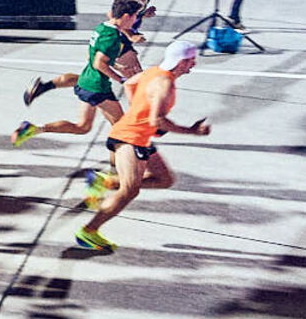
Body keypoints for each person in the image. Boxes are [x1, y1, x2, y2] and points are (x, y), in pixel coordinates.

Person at [76, 41, 211, 251]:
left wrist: (138, 109)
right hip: (129, 138)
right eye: (192, 60)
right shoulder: (165, 83)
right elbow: (157, 121)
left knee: (165, 179)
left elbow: (130, 83)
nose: (193, 64)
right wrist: (191, 131)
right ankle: (89, 231)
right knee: (130, 190)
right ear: (182, 61)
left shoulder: (153, 72)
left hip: (140, 137)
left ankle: (107, 182)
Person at [16, 0, 143, 145]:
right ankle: (115, 168)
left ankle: (34, 129)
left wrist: (119, 67)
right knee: (121, 129)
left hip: (85, 82)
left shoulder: (102, 28)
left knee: (83, 127)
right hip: (97, 87)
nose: (135, 21)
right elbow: (98, 63)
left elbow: (94, 55)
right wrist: (121, 79)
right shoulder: (112, 37)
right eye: (135, 16)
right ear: (126, 16)